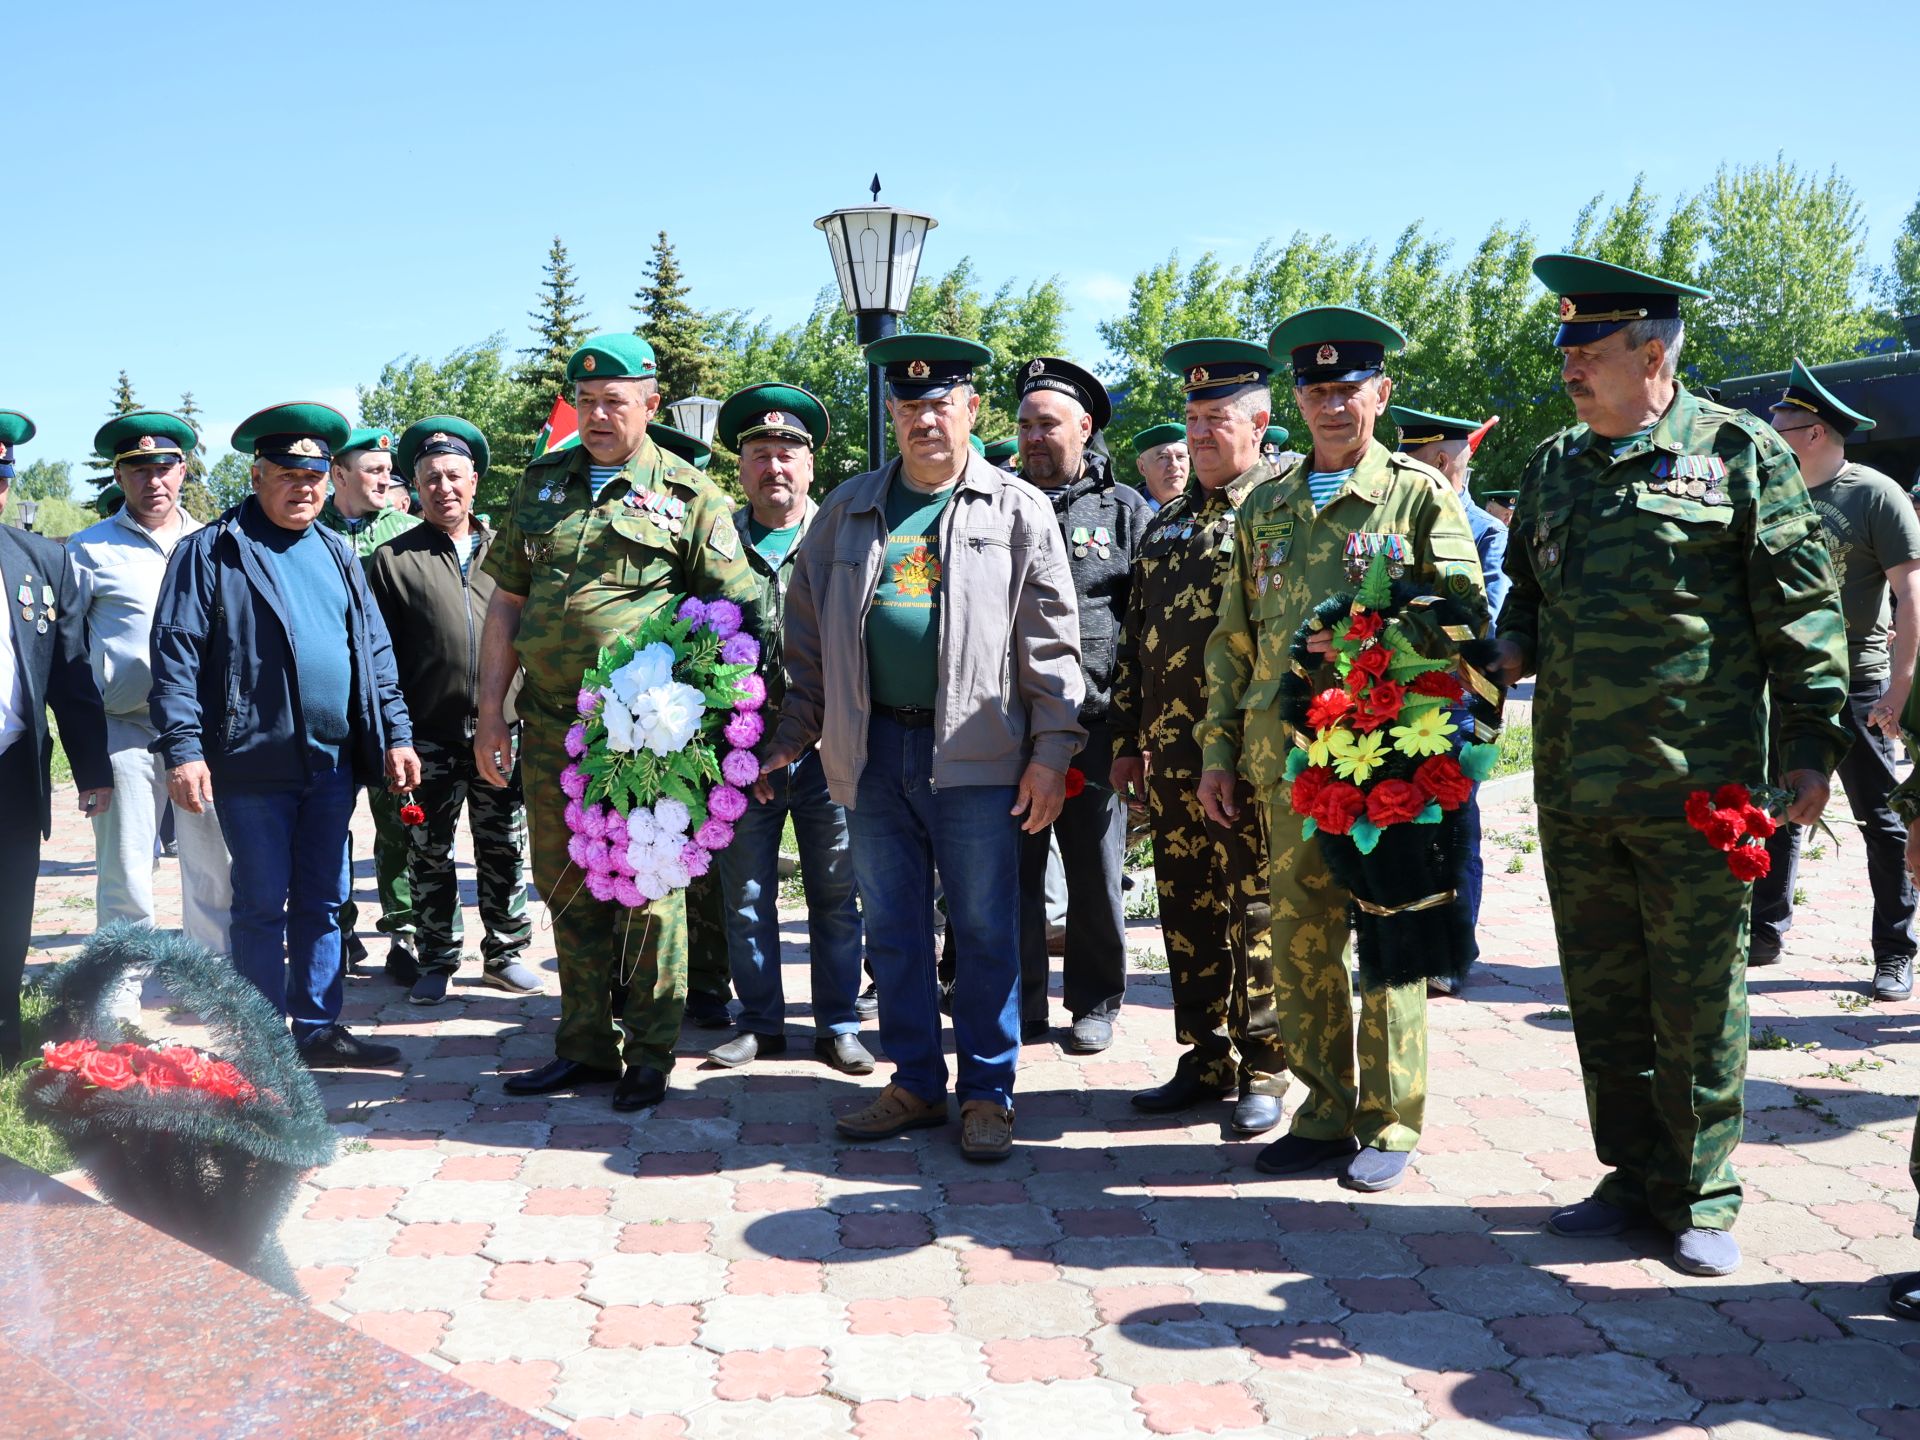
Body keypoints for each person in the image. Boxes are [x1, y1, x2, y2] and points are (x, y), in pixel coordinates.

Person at [1492, 255, 1849, 1276]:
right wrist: (1505, 651)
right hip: (1576, 785)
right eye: (1566, 352)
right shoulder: (1558, 463)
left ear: (1654, 353)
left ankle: (1699, 1191)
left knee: (1697, 997)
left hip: (1703, 788)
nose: (1571, 370)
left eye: (1590, 353)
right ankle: (1630, 1171)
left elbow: (1801, 612)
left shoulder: (1737, 454)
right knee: (1604, 998)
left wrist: (1812, 749)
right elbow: (1528, 602)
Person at [762, 333, 1085, 1162]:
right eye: (908, 407)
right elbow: (807, 644)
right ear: (893, 416)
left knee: (981, 931)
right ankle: (913, 1081)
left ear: (971, 410)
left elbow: (1051, 646)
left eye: (939, 404)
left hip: (977, 759)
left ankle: (987, 1093)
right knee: (894, 930)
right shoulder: (847, 509)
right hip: (871, 756)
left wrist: (1052, 752)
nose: (924, 420)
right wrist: (791, 737)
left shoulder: (1017, 508)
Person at [1199, 307, 1487, 1192]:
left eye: (1349, 388)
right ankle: (1325, 1110)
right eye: (1316, 389)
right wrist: (1217, 752)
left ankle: (1390, 1120)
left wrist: (1374, 637)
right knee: (1300, 939)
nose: (1332, 405)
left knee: (1390, 939)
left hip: (1386, 758)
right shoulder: (1269, 505)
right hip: (1284, 762)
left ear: (1382, 394)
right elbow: (1230, 639)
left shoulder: (1416, 494)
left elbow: (1467, 623)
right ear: (1297, 396)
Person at [478, 334, 759, 1113]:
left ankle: (649, 1052)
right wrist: (489, 713)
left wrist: (697, 716)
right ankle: (584, 1046)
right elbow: (505, 603)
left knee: (644, 889)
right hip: (545, 723)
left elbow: (737, 614)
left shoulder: (690, 494)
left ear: (651, 404)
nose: (598, 416)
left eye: (615, 402)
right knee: (565, 883)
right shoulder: (539, 484)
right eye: (586, 401)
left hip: (643, 736)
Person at [150, 403, 420, 1070]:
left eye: (316, 476)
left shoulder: (337, 552)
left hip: (332, 765)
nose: (305, 489)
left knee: (326, 902)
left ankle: (320, 1029)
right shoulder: (211, 551)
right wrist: (183, 748)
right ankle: (264, 1041)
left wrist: (396, 734)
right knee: (261, 905)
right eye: (288, 476)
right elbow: (175, 655)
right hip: (252, 762)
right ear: (257, 474)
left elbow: (374, 652)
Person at [1111, 342, 1290, 1136]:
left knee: (1256, 905)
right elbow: (1135, 641)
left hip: (1255, 756)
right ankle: (1206, 1052)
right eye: (1192, 421)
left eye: (1216, 420)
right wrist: (1125, 738)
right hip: (1174, 759)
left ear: (1259, 422)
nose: (1200, 436)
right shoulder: (1168, 525)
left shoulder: (1285, 510)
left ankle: (1268, 1064)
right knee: (1187, 908)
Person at [703, 382, 870, 1074]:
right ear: (741, 470)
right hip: (742, 755)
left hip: (830, 749)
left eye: (787, 455)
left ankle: (837, 1023)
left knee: (836, 893)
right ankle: (761, 1021)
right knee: (744, 895)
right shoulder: (715, 547)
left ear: (810, 469)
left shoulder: (842, 538)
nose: (774, 467)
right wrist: (731, 743)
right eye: (761, 455)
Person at [1748, 360, 1920, 1000]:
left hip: (1860, 683)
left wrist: (1900, 688)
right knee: (1781, 805)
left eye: (1780, 425)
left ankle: (1895, 951)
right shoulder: (1773, 495)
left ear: (1813, 432)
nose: (1770, 434)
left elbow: (1911, 594)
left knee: (1883, 817)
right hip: (1787, 681)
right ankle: (1765, 931)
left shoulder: (1874, 494)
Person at [364, 417, 538, 1005]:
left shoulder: (511, 554)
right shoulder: (392, 560)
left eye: (454, 476)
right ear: (414, 487)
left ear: (476, 481)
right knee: (428, 851)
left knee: (504, 845)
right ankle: (437, 958)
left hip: (501, 731)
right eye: (431, 477)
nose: (444, 487)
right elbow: (376, 655)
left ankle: (505, 953)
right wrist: (395, 735)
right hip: (426, 735)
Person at [68, 413, 233, 1019]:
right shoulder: (88, 550)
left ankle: (211, 985)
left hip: (201, 730)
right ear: (120, 474)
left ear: (183, 471)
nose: (154, 480)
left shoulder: (218, 542)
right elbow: (69, 649)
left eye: (165, 467)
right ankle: (118, 994)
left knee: (212, 863)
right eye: (139, 468)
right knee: (127, 868)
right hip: (127, 726)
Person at [1010, 357, 1149, 1052]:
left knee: (1095, 872)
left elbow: (1146, 622)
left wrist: (1135, 728)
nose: (1035, 438)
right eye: (1026, 425)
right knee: (1013, 873)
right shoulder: (994, 501)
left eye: (1050, 424)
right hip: (1010, 726)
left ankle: (1095, 1002)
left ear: (1085, 428)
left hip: (1095, 724)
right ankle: (1021, 1003)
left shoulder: (1124, 510)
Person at [0, 410, 112, 1068]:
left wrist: (93, 768)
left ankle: (4, 1049)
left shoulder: (43, 560)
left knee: (8, 917)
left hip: (12, 773)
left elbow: (72, 676)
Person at [1389, 406, 1509, 994]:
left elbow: (1484, 621)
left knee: (1454, 827)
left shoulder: (1486, 531)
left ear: (1439, 461)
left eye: (1410, 459)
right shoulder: (1390, 523)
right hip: (1390, 700)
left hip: (1457, 704)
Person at [642, 419, 736, 1030]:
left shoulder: (717, 521)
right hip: (645, 711)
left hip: (712, 715)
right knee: (656, 843)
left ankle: (708, 978)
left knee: (708, 853)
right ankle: (670, 982)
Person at [323, 427, 421, 982]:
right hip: (331, 706)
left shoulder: (409, 533)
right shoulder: (309, 531)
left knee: (398, 821)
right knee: (329, 823)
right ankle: (335, 931)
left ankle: (403, 933)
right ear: (339, 475)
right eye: (373, 469)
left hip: (389, 703)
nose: (386, 478)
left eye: (389, 469)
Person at [1132, 423, 1189, 510]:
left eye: (1180, 456)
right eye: (1163, 457)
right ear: (1142, 467)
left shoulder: (1204, 511)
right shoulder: (1125, 516)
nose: (1175, 465)